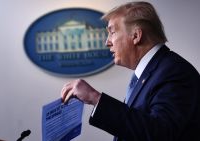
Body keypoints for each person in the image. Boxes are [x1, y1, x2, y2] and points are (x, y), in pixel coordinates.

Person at [61, 1, 200, 141]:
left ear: (136, 35)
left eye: (112, 32)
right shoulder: (152, 72)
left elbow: (160, 134)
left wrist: (95, 98)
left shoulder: (174, 71)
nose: (107, 42)